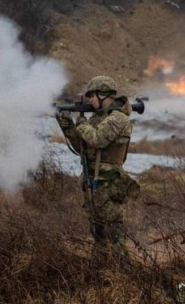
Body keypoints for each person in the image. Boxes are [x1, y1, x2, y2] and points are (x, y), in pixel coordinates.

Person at [57, 76, 137, 263]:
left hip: (109, 183)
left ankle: (124, 273)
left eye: (92, 96)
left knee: (114, 232)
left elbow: (98, 139)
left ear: (103, 95)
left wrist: (82, 123)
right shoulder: (97, 118)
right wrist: (69, 128)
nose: (90, 100)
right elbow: (83, 148)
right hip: (94, 182)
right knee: (98, 231)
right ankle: (100, 271)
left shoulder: (118, 118)